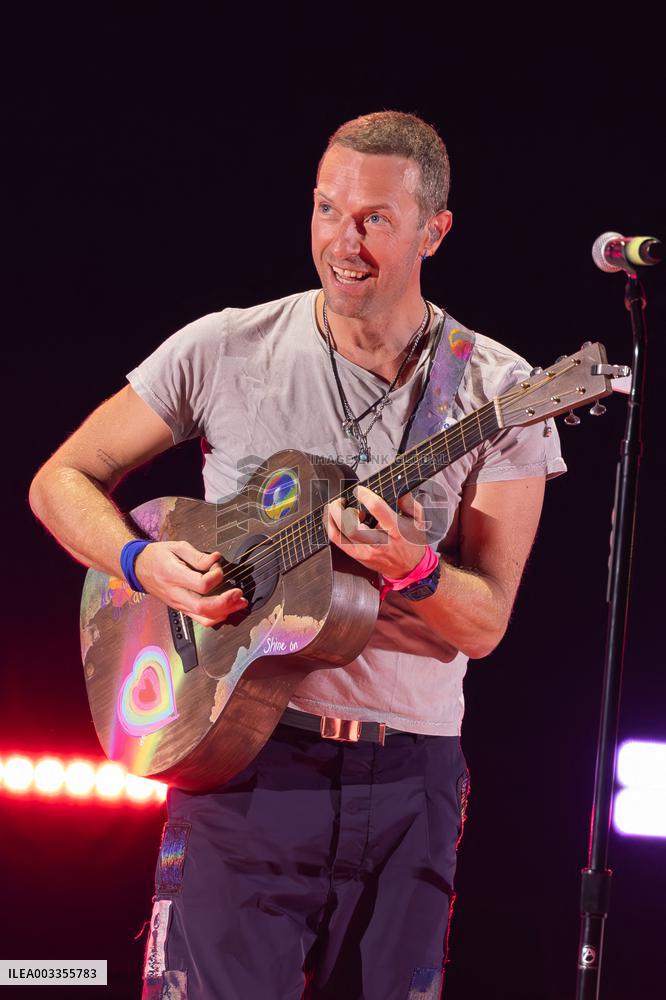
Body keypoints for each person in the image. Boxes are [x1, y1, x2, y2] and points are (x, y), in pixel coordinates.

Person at [29, 111, 565, 999]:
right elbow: (62, 479)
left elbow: (487, 624)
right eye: (326, 210)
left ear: (435, 230)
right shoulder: (224, 347)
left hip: (409, 779)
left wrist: (413, 569)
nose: (342, 243)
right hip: (243, 760)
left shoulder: (498, 388)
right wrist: (138, 563)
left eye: (375, 220)